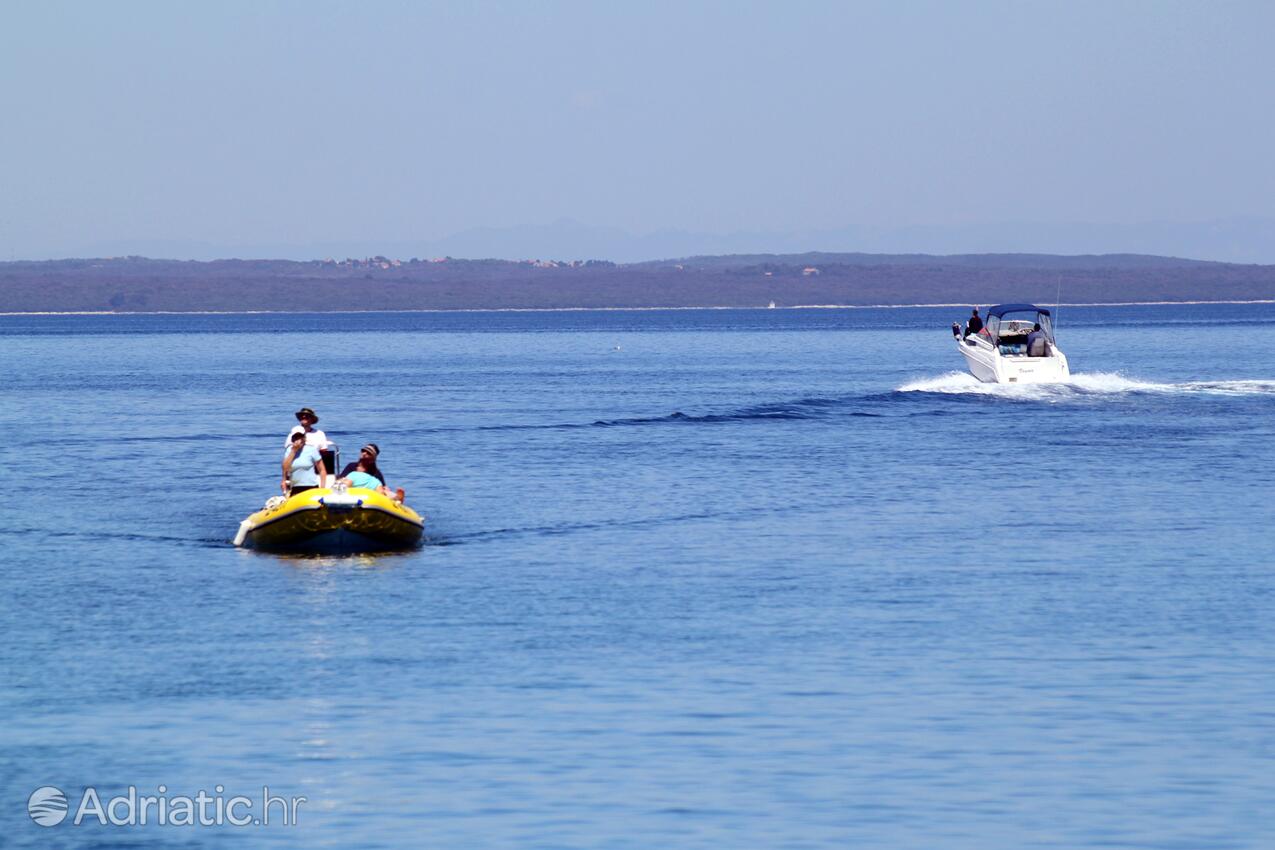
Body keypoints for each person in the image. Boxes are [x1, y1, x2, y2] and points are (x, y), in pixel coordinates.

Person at [338, 443, 404, 502]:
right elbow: (342, 479)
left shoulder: (376, 472)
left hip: (370, 496)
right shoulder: (351, 466)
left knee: (384, 491)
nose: (364, 453)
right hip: (353, 491)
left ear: (373, 459)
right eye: (363, 451)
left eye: (368, 453)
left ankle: (397, 499)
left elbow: (382, 487)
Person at [282, 430, 328, 495]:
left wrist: (322, 488)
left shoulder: (311, 450)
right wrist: (293, 451)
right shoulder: (289, 450)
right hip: (295, 487)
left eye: (300, 437)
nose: (298, 440)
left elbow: (322, 470)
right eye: (295, 438)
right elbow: (285, 468)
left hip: (311, 486)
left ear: (304, 438)